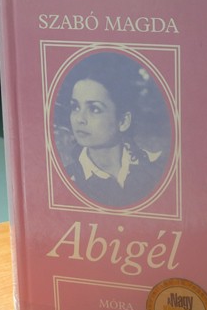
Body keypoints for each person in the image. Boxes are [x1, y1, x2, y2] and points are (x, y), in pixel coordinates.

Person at [56, 51, 168, 208]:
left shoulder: (156, 168)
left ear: (123, 121)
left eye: (94, 109)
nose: (80, 119)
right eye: (75, 107)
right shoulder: (66, 181)